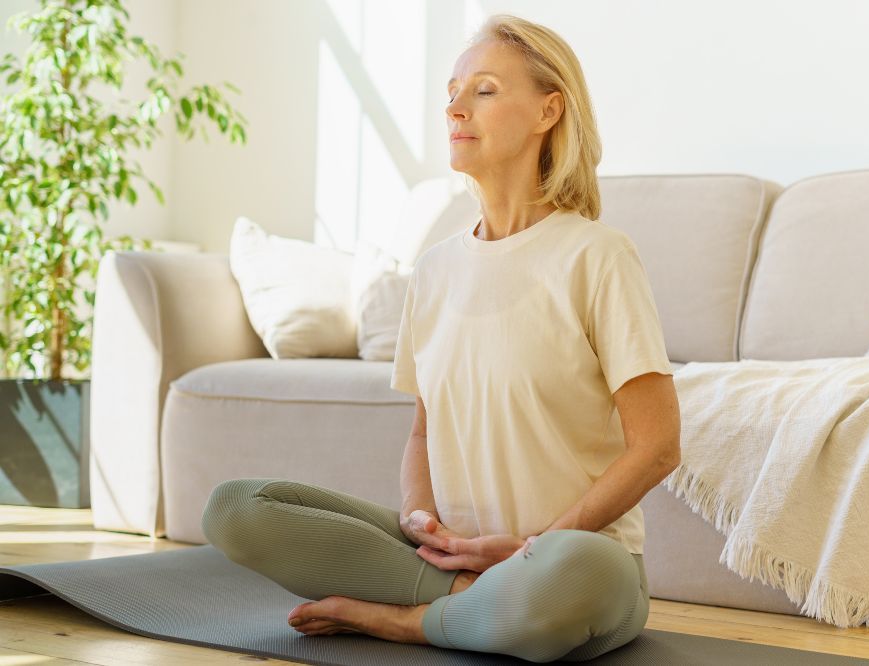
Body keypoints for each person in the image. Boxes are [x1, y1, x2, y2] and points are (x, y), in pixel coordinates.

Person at [201, 14, 681, 663]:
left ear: (549, 109)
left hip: (573, 561)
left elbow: (657, 447)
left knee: (575, 574)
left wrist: (531, 548)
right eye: (452, 91)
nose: (455, 105)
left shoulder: (597, 256)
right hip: (447, 554)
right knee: (236, 509)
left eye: (483, 89)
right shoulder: (433, 270)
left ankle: (409, 620)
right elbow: (425, 428)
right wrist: (419, 517)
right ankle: (467, 600)